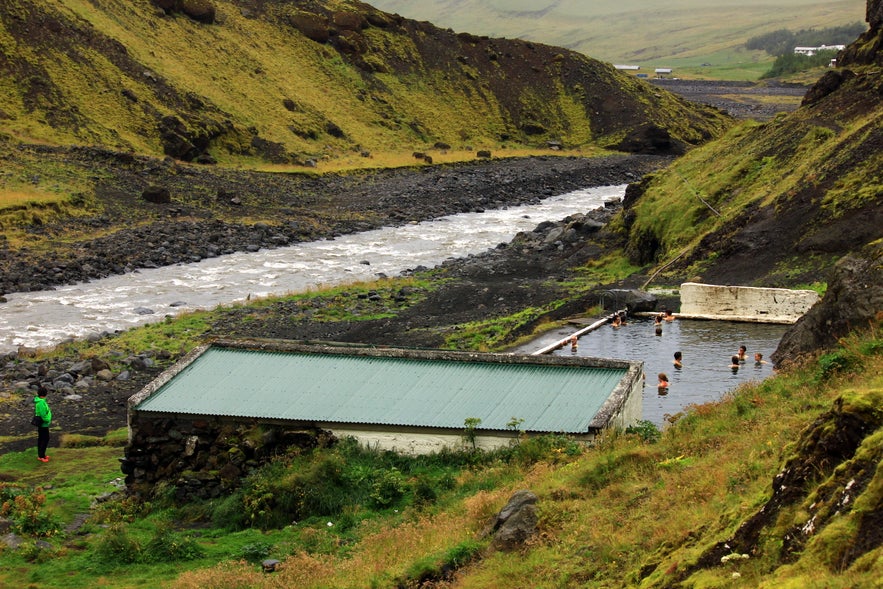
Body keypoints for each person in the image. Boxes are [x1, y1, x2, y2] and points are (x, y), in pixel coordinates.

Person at [34, 386, 52, 463]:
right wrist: (48, 419)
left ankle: (42, 455)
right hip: (43, 424)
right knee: (45, 439)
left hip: (43, 424)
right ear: (45, 394)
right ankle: (41, 456)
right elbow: (43, 414)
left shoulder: (41, 401)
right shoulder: (41, 402)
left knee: (41, 439)